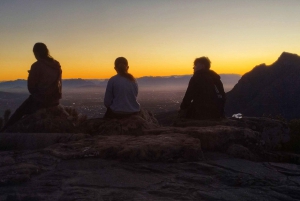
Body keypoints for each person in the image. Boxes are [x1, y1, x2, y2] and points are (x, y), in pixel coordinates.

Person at [0, 43, 62, 132]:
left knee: (19, 113)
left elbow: (31, 88)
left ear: (36, 53)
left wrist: (32, 75)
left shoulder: (37, 65)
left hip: (41, 100)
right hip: (55, 100)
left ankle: (4, 134)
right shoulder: (56, 64)